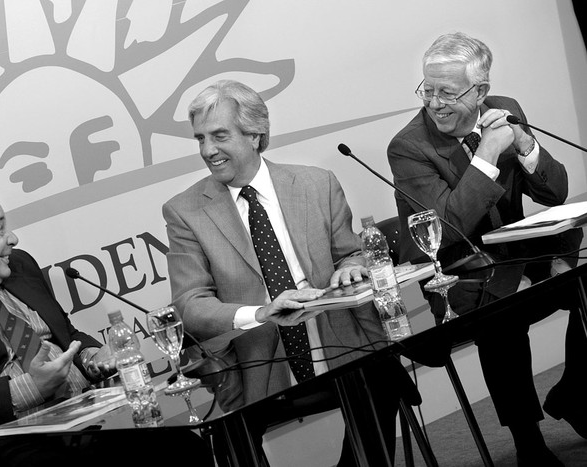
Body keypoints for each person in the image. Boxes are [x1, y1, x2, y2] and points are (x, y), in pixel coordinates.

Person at [163, 79, 417, 465]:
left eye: (218, 136)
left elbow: (351, 254)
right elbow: (190, 305)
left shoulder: (316, 184)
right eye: (200, 139)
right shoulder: (185, 211)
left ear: (255, 135)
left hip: (338, 342)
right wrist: (261, 313)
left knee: (384, 377)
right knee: (228, 440)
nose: (208, 151)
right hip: (256, 363)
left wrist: (349, 269)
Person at [0, 187, 213, 467]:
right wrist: (31, 387)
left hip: (83, 419)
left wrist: (91, 356)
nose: (12, 238)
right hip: (6, 443)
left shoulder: (19, 266)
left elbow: (67, 335)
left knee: (182, 446)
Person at [387, 32, 587, 466]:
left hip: (524, 255)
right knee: (500, 316)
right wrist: (489, 155)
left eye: (447, 92)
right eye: (428, 89)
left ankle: (576, 393)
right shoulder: (408, 147)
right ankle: (527, 440)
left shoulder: (506, 109)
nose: (434, 103)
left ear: (479, 91)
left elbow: (555, 192)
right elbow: (448, 228)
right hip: (467, 275)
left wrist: (525, 145)